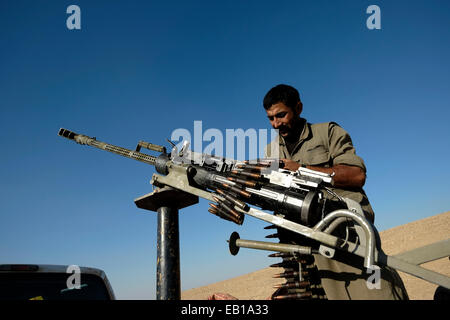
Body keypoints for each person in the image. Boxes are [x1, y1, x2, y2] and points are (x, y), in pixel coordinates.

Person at [262, 84, 408, 300]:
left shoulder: (327, 133)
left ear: (298, 108)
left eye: (281, 115)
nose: (276, 124)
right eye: (271, 118)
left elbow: (356, 175)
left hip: (349, 232)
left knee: (376, 289)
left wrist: (301, 170)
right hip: (307, 242)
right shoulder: (271, 151)